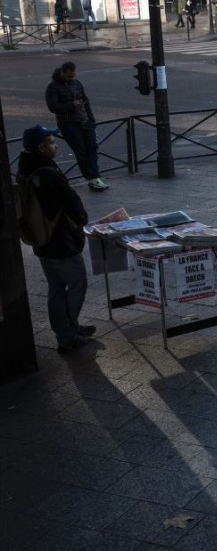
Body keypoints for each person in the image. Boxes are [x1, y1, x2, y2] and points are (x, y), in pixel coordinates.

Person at [17, 125, 96, 354]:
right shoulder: (49, 173)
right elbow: (73, 206)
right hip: (61, 241)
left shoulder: (26, 170)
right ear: (41, 148)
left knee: (56, 287)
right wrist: (81, 220)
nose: (56, 145)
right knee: (77, 283)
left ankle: (68, 330)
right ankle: (68, 334)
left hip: (41, 239)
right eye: (51, 142)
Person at [45, 61, 109, 191]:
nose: (71, 78)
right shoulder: (53, 86)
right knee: (81, 151)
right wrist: (71, 106)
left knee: (92, 148)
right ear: (62, 72)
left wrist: (91, 118)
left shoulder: (77, 83)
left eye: (73, 76)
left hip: (85, 121)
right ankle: (92, 178)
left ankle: (95, 176)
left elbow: (86, 100)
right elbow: (53, 107)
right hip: (69, 123)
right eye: (69, 76)